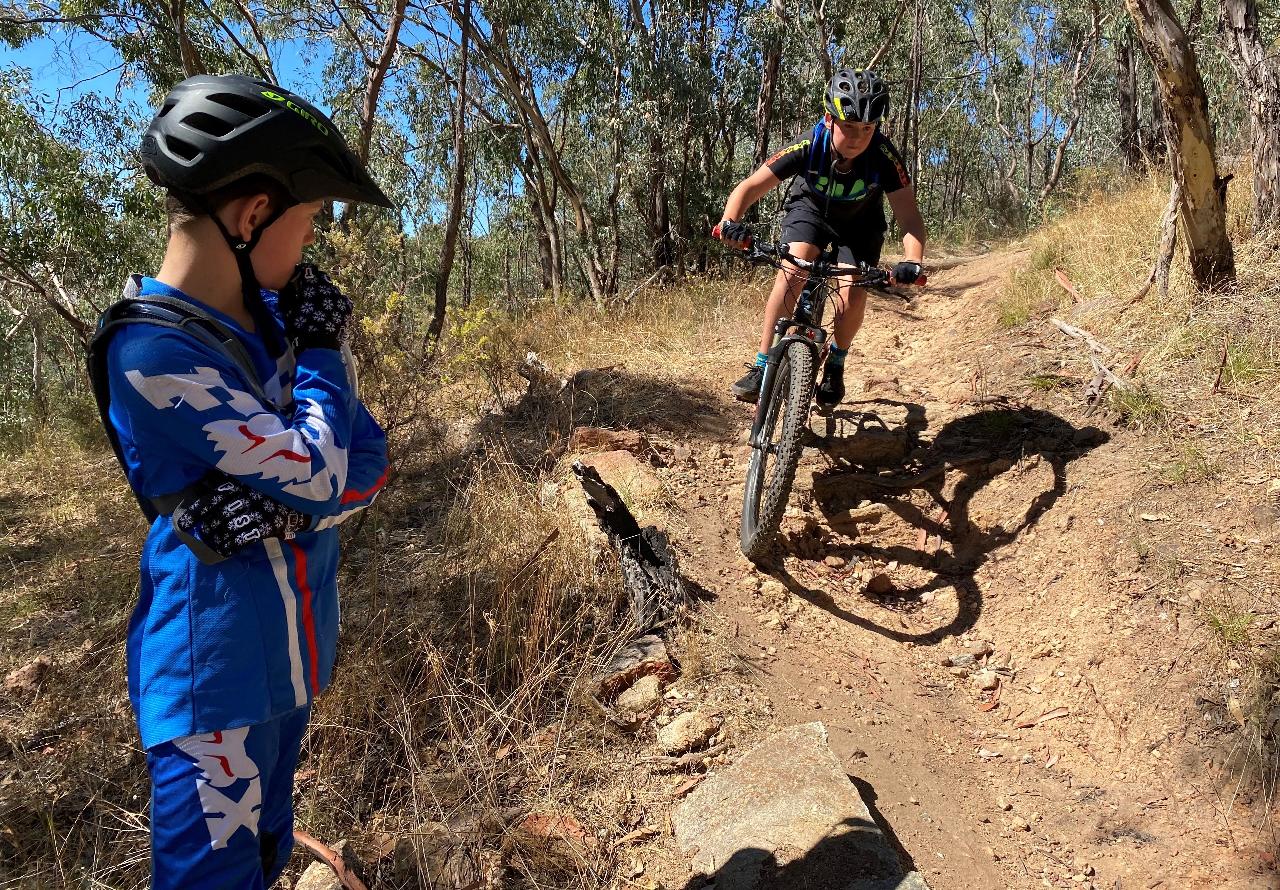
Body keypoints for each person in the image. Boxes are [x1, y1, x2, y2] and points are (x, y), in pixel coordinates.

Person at [95, 74, 392, 888]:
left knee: (260, 864)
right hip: (210, 689)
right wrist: (326, 358)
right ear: (254, 214)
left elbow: (368, 460)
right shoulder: (151, 351)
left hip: (283, 664)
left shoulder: (268, 327)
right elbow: (327, 473)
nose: (307, 249)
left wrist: (285, 507)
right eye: (305, 224)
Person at [714, 68, 927, 407]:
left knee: (852, 295)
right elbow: (749, 187)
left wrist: (913, 260)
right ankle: (762, 364)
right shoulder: (809, 145)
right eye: (849, 126)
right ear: (829, 119)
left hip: (860, 225)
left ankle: (836, 363)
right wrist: (729, 222)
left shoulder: (884, 157)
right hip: (810, 211)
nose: (858, 137)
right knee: (793, 270)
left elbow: (909, 217)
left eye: (868, 128)